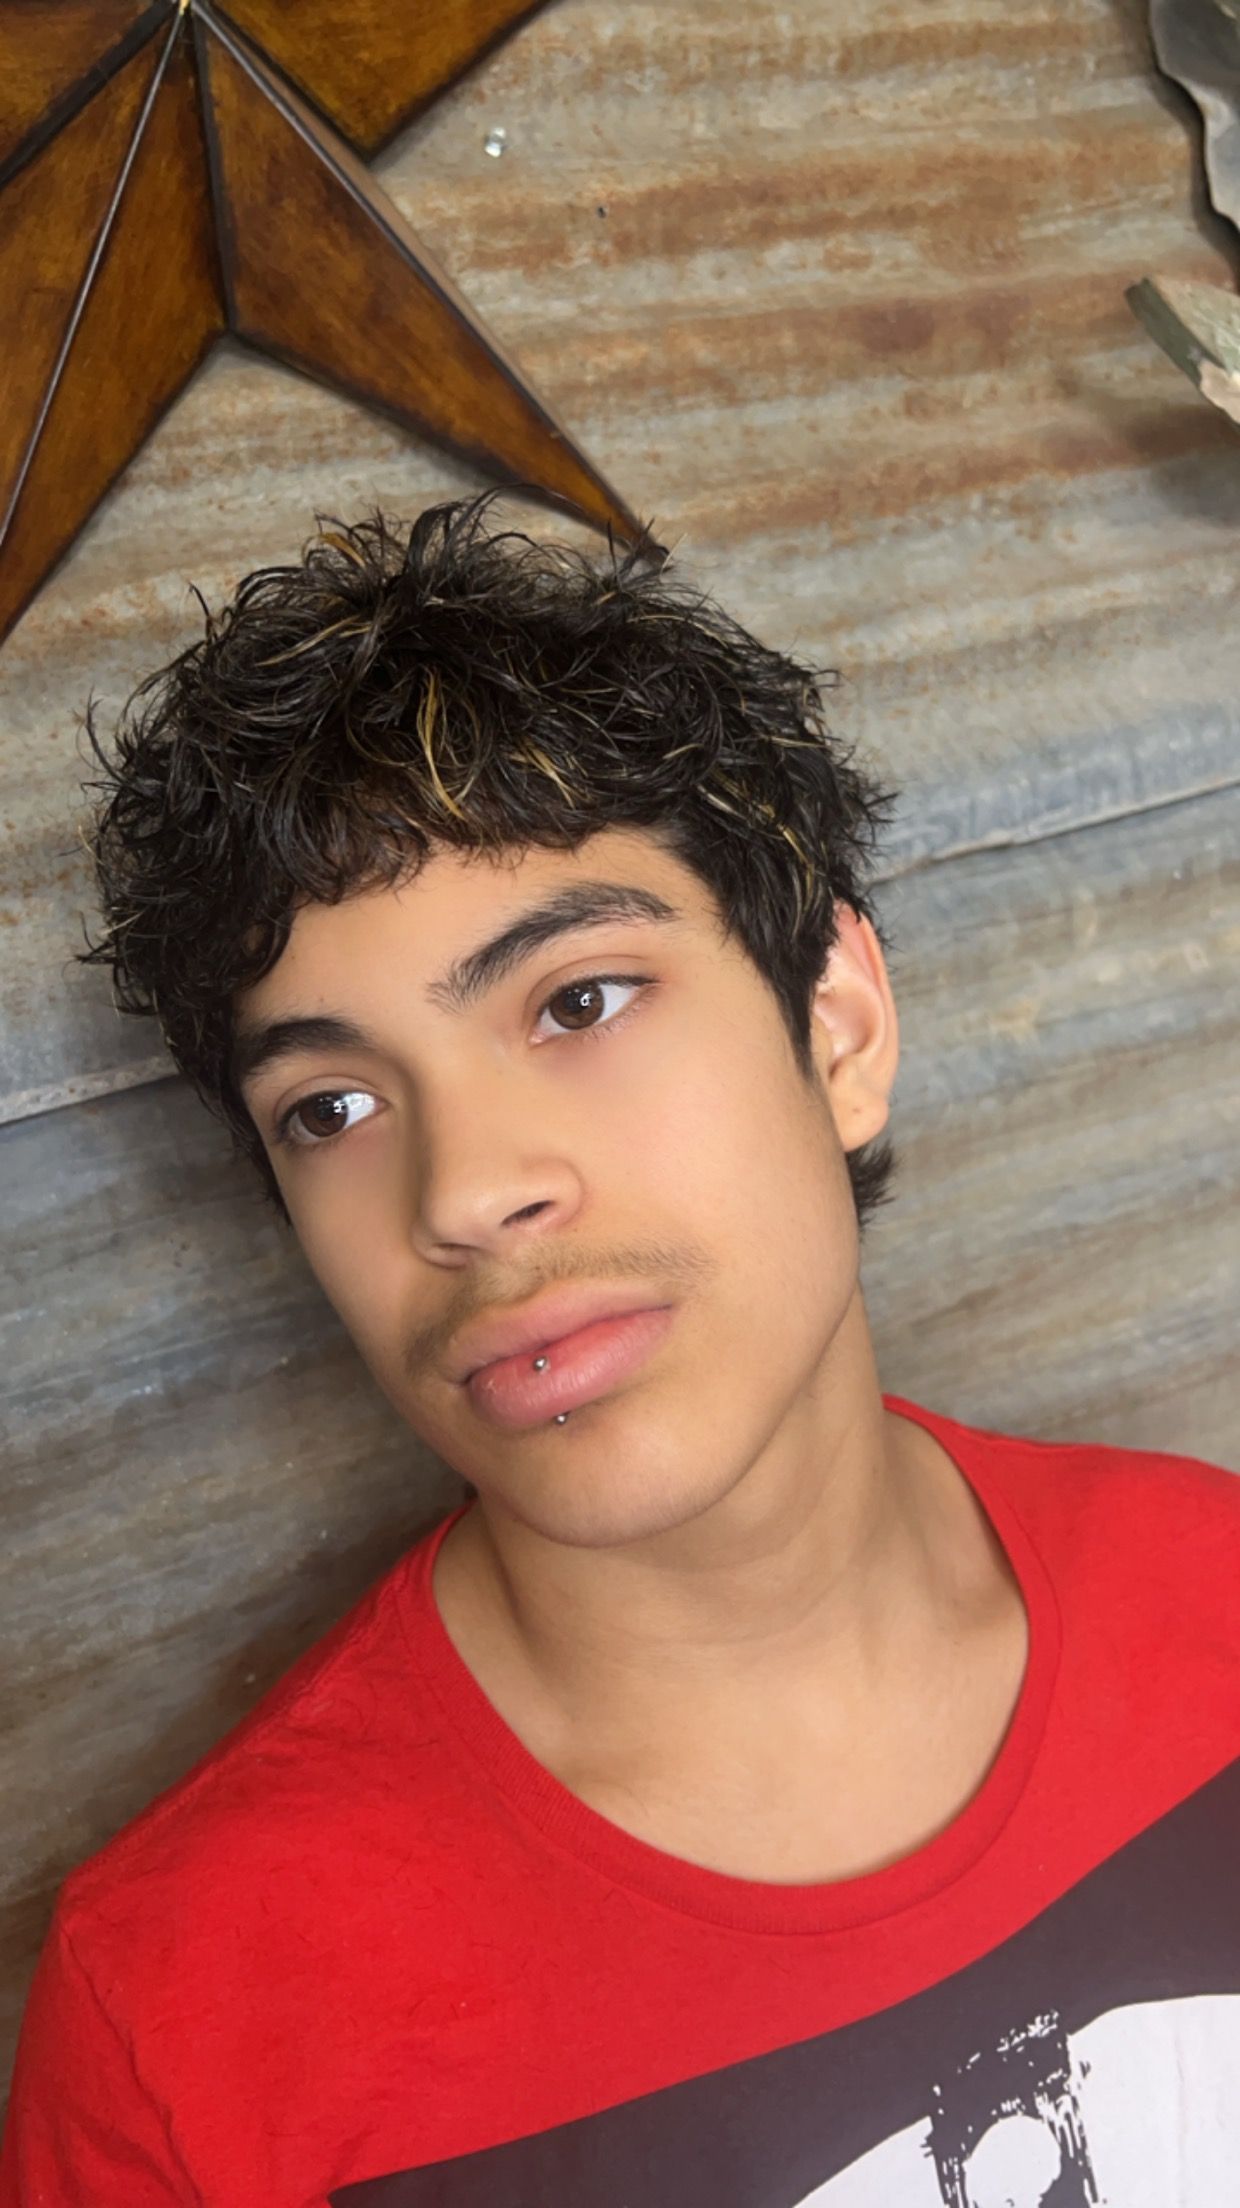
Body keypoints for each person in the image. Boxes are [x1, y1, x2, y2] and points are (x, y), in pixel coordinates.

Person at [2, 494, 1238, 2208]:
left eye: (578, 999)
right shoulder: (195, 2019)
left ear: (840, 1027)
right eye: (333, 1106)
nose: (468, 1191)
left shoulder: (1219, 1592)